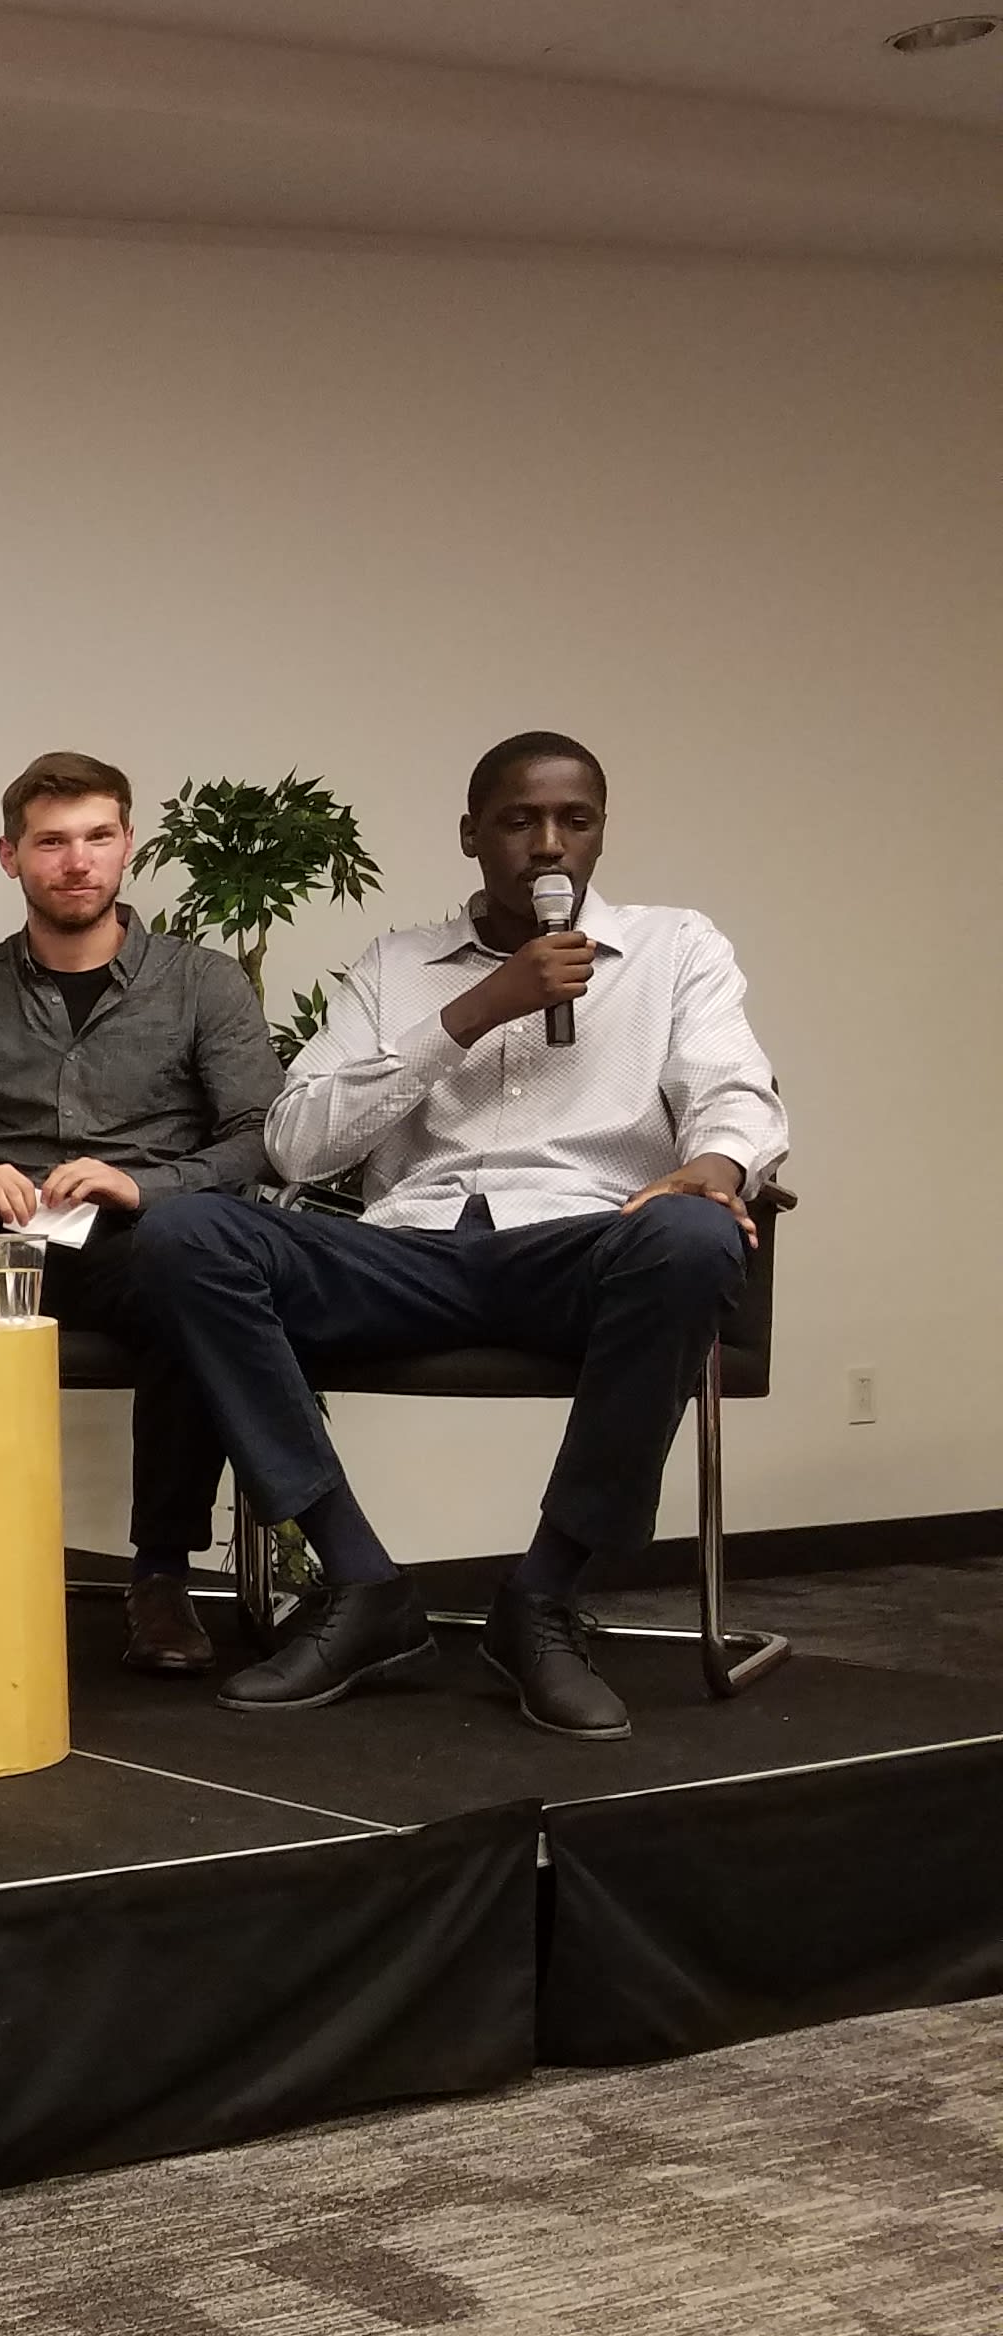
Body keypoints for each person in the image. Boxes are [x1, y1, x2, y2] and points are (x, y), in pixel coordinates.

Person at [135, 732, 783, 1737]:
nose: (551, 844)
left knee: (695, 1237)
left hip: (583, 1245)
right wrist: (474, 1011)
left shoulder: (674, 948)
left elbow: (732, 1086)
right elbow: (297, 1144)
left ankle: (543, 1600)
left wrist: (721, 1164)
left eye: (576, 820)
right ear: (473, 834)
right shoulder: (397, 964)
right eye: (521, 820)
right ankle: (361, 1587)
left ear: (602, 832)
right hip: (410, 1252)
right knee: (187, 1235)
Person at [0, 752, 284, 1675]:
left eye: (97, 837)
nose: (77, 861)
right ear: (11, 857)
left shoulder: (202, 982)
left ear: (129, 846)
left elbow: (260, 1138)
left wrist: (146, 1186)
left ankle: (161, 1578)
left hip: (144, 1245)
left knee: (196, 1289)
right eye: (52, 842)